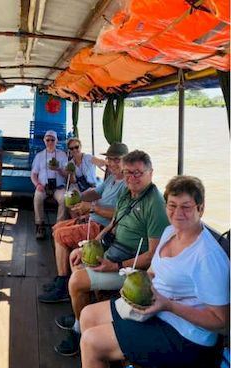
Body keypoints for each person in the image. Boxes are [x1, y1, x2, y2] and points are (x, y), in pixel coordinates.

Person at [80, 175, 230, 368]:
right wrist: (133, 278)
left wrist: (168, 306)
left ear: (200, 209)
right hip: (154, 309)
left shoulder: (207, 256)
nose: (178, 213)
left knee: (91, 342)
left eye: (186, 206)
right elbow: (152, 272)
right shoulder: (169, 232)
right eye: (172, 205)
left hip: (186, 336)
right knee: (87, 315)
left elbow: (221, 321)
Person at [55, 150, 168, 357]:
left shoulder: (156, 205)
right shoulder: (128, 193)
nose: (132, 178)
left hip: (131, 266)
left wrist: (114, 266)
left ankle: (79, 331)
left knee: (76, 281)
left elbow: (152, 256)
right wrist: (93, 242)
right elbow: (114, 223)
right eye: (128, 173)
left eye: (138, 173)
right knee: (76, 257)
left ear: (151, 173)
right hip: (114, 248)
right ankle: (84, 316)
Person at [39, 142, 128, 305]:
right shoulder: (111, 180)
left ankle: (62, 286)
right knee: (56, 228)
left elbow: (120, 215)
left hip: (103, 228)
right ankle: (63, 279)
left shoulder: (127, 185)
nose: (113, 163)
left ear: (126, 161)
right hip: (92, 219)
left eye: (117, 160)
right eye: (110, 159)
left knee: (60, 235)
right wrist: (79, 197)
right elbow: (95, 192)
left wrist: (92, 208)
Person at [31, 130, 69, 239]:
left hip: (58, 186)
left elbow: (67, 175)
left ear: (56, 141)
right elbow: (33, 174)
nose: (50, 142)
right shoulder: (39, 156)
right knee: (37, 197)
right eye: (48, 140)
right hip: (44, 186)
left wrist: (59, 169)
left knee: (64, 199)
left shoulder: (62, 155)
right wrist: (37, 184)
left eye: (52, 140)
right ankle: (40, 225)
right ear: (44, 141)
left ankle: (58, 226)